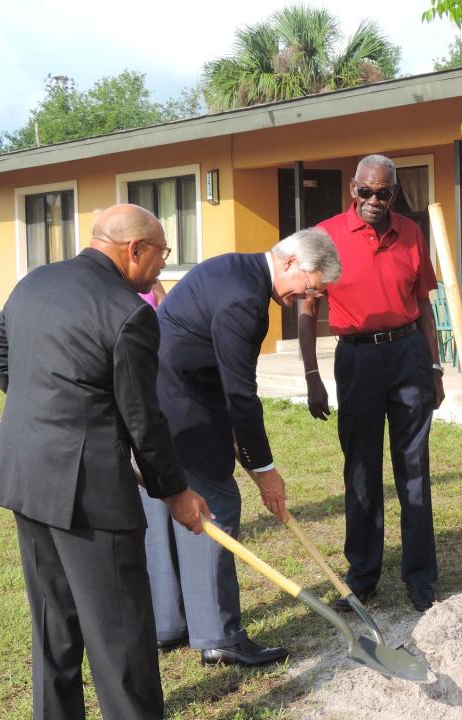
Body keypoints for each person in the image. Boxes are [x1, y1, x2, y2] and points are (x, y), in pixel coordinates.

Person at [0, 204, 211, 720]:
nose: (162, 267)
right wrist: (176, 492)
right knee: (120, 633)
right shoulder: (130, 312)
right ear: (136, 250)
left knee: (53, 622)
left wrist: (47, 410)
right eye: (161, 255)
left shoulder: (35, 282)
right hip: (88, 491)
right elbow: (143, 421)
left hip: (26, 473)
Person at [141, 227, 342, 667]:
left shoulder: (236, 267)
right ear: (291, 263)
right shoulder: (247, 301)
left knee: (163, 499)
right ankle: (218, 636)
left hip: (152, 402)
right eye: (312, 287)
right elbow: (240, 395)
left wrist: (243, 446)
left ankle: (167, 625)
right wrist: (264, 470)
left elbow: (223, 379)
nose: (312, 299)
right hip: (181, 406)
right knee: (214, 502)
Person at [299, 154, 445, 612]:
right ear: (352, 189)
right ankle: (362, 577)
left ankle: (420, 577)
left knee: (414, 470)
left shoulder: (412, 233)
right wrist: (311, 375)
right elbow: (306, 309)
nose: (374, 201)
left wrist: (435, 368)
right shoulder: (326, 237)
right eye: (367, 191)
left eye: (384, 193)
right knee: (361, 472)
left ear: (395, 193)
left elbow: (424, 305)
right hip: (357, 357)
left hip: (407, 355)